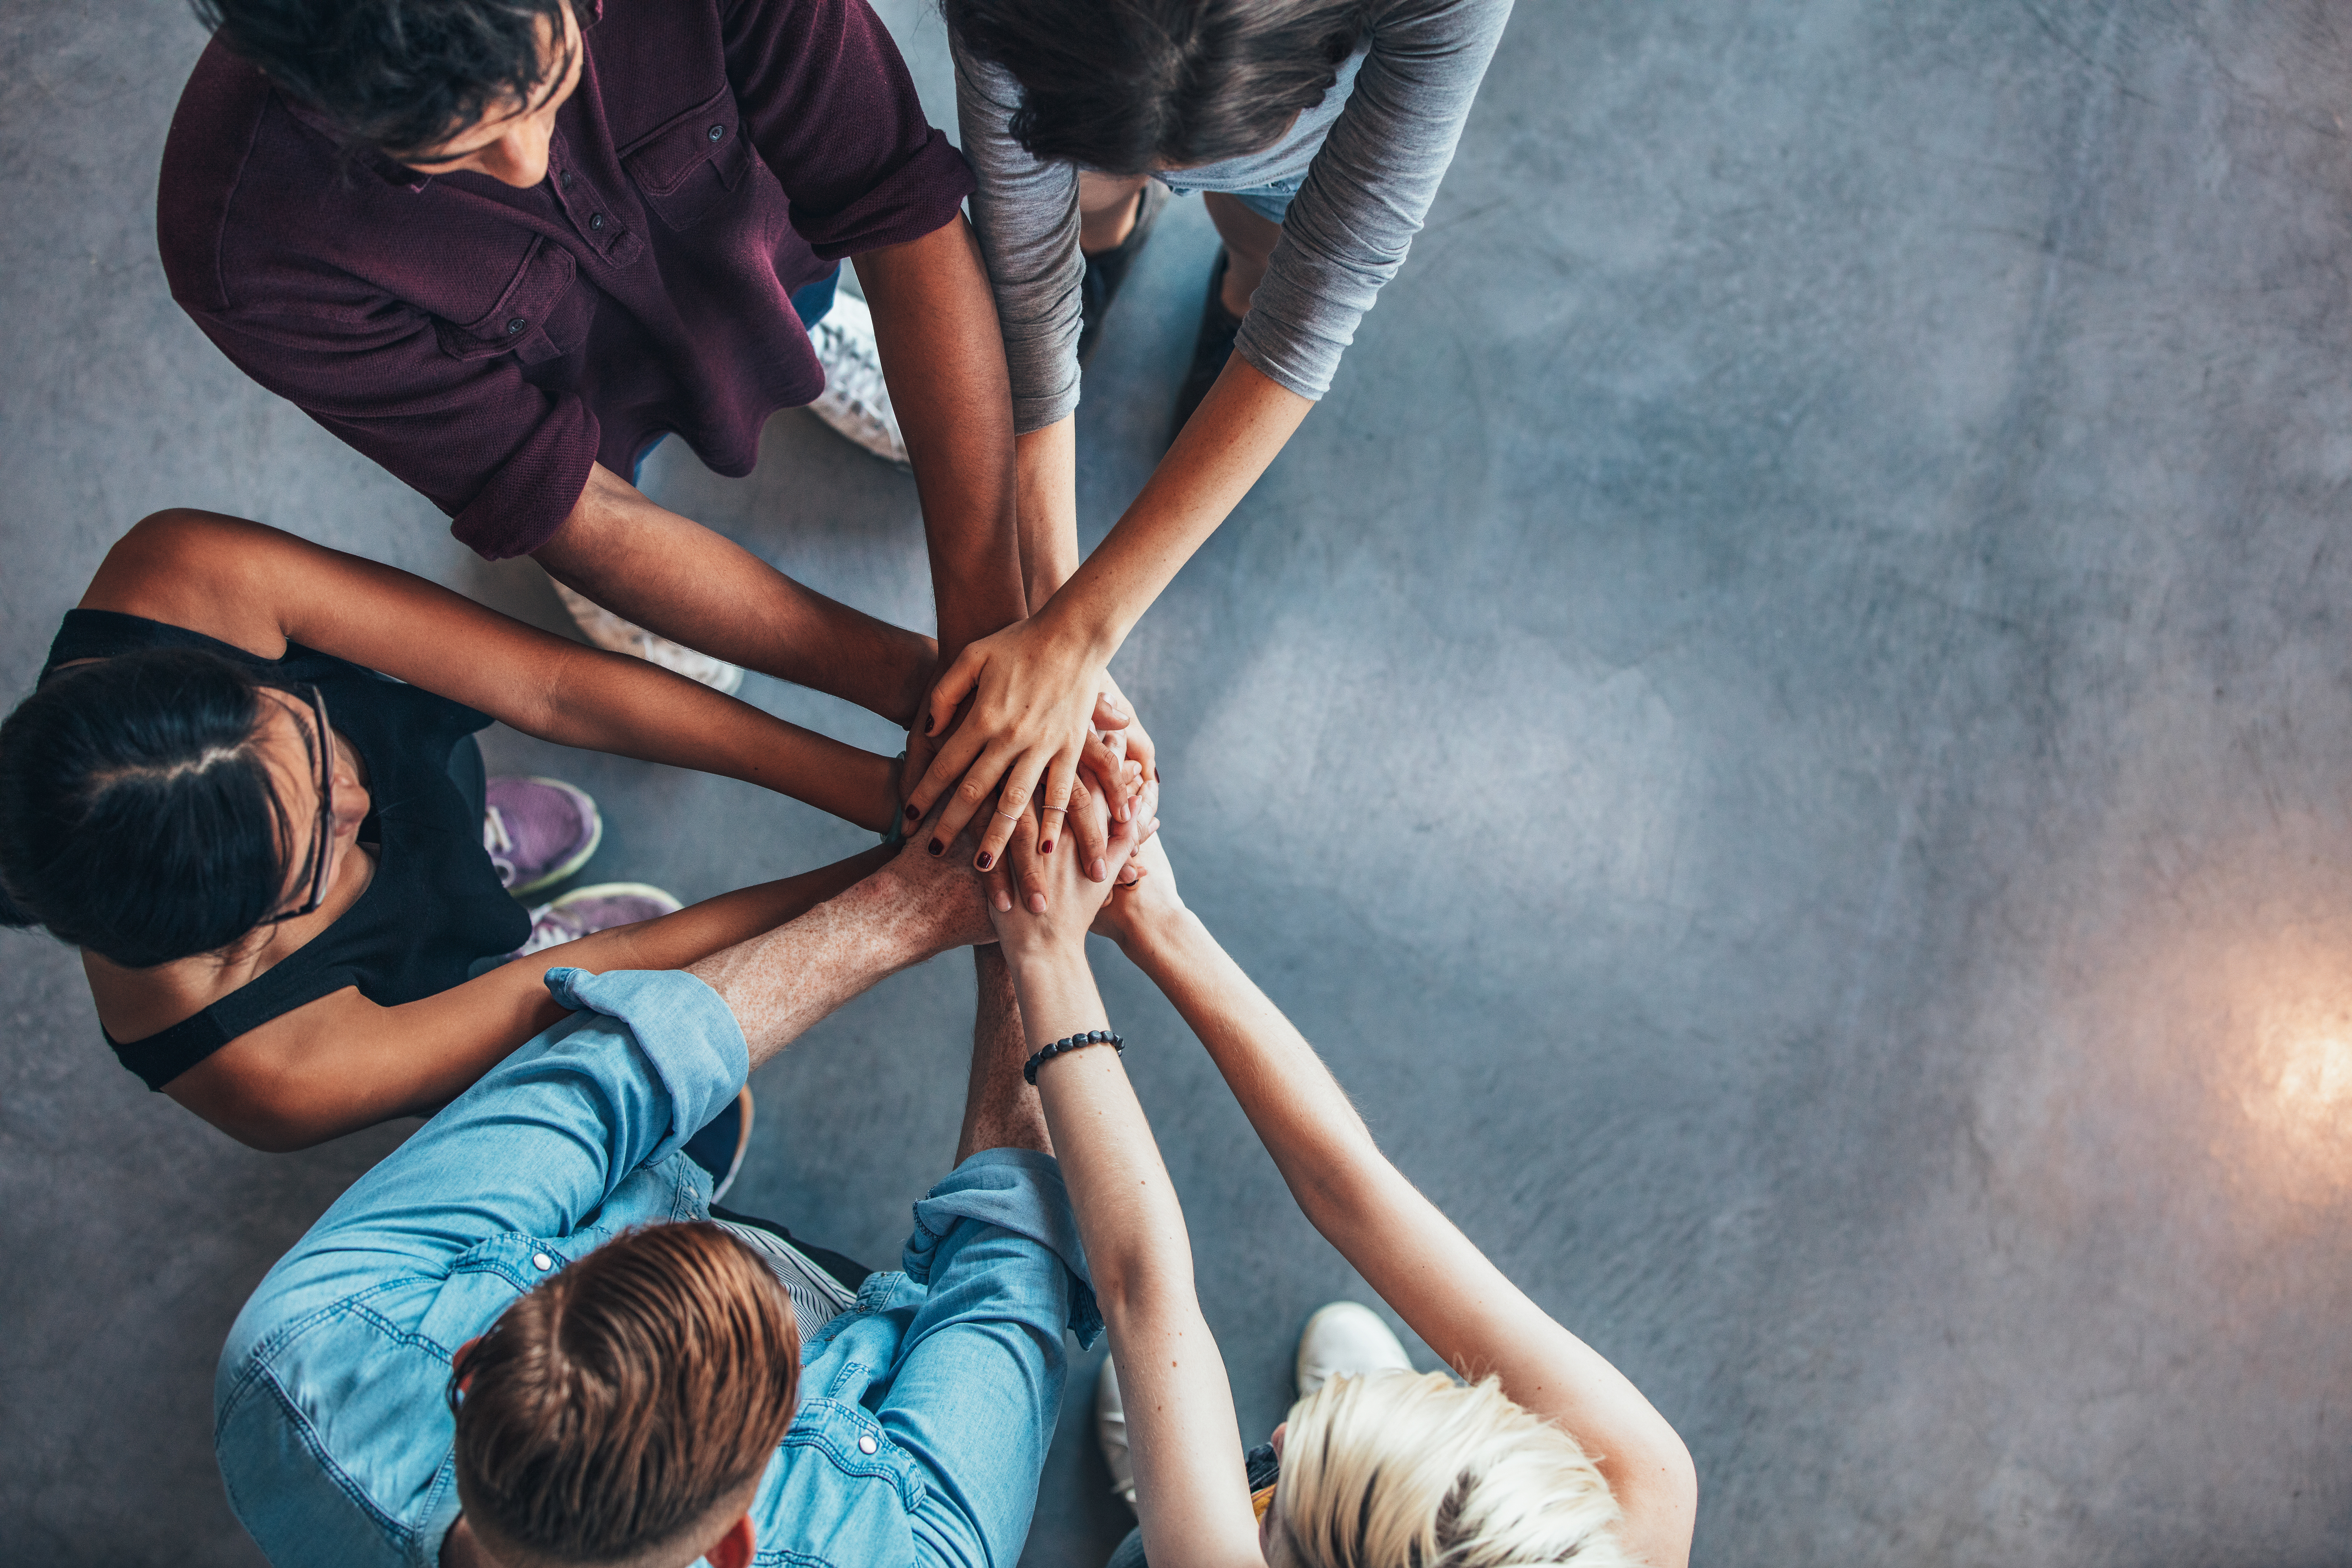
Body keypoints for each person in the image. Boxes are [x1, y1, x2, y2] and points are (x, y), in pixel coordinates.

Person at [0, 508, 1134, 1152]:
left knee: (436, 797)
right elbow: (621, 967)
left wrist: (896, 792)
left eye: (310, 733)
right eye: (320, 854)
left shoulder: (185, 578)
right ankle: (492, 943)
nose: (357, 793)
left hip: (329, 825)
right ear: (237, 937)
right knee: (560, 1010)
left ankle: (467, 860)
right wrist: (918, 877)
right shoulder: (263, 1068)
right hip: (411, 987)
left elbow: (555, 689)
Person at [211, 799, 1156, 1568]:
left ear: (473, 1363)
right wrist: (1029, 929)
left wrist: (919, 903)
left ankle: (676, 1165)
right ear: (733, 1542)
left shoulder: (302, 1355)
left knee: (634, 1115)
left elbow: (604, 1081)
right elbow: (1006, 1272)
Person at [156, 0, 1036, 737]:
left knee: (790, 310)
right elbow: (554, 492)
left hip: (761, 254)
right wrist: (921, 690)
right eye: (446, 151)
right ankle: (612, 582)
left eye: (550, 85)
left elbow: (893, 205)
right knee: (586, 487)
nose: (528, 162)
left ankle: (803, 337)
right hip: (571, 416)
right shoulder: (247, 250)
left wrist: (993, 639)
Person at [896, 0, 1512, 876]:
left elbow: (1313, 305)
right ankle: (1108, 237)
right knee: (1083, 211)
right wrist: (1059, 637)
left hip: (1286, 170)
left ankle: (1229, 290)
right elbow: (1028, 292)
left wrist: (1075, 641)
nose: (1174, 176)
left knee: (1265, 251)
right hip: (1093, 115)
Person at [985, 829, 1700, 1568]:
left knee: (1179, 1525)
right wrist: (1154, 915)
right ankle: (1266, 1483)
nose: (1282, 1434)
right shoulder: (1642, 1484)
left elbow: (1140, 1287)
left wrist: (1044, 955)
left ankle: (1175, 1498)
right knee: (1214, 1463)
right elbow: (1348, 1184)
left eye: (1285, 1522)